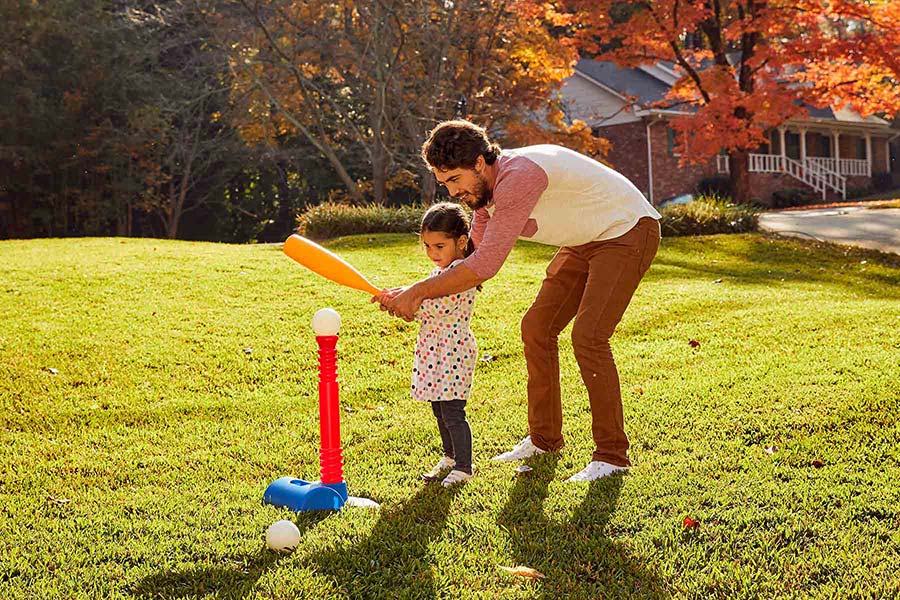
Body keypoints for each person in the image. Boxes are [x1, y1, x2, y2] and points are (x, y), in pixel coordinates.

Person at [376, 120, 661, 482]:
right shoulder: (483, 198)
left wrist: (418, 292)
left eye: (455, 180)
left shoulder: (518, 177)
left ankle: (611, 456)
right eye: (445, 183)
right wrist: (410, 292)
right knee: (537, 327)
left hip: (627, 230)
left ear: (480, 163)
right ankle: (545, 439)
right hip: (585, 239)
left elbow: (485, 265)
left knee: (588, 336)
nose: (452, 192)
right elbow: (465, 263)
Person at [382, 202, 479, 488]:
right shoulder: (441, 272)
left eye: (439, 246)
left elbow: (437, 306)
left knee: (452, 411)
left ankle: (464, 466)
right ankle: (450, 457)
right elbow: (421, 292)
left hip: (454, 351)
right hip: (436, 350)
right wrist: (397, 296)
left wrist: (405, 305)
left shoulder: (462, 272)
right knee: (438, 408)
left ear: (461, 242)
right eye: (427, 246)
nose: (432, 253)